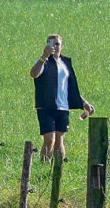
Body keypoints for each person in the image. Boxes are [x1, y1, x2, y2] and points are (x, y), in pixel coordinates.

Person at [29, 33, 94, 162]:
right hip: (46, 106)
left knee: (59, 141)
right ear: (47, 46)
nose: (55, 47)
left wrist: (84, 103)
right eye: (51, 44)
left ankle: (58, 171)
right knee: (49, 140)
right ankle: (44, 168)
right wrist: (44, 57)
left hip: (63, 107)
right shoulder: (43, 62)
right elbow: (34, 74)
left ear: (62, 46)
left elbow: (70, 89)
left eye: (57, 44)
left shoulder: (66, 64)